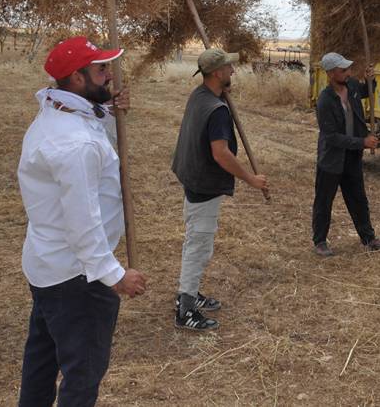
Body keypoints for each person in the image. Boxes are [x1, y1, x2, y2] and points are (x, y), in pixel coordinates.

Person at [17, 36, 147, 406]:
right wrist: (115, 275)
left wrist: (107, 108)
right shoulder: (74, 145)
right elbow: (82, 221)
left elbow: (89, 128)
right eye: (101, 69)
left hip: (49, 266)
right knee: (83, 374)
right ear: (76, 78)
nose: (110, 75)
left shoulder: (58, 112)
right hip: (78, 277)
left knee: (41, 363)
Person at [171, 48, 269, 331]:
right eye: (228, 68)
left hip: (194, 178)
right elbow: (221, 154)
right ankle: (185, 307)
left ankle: (191, 291)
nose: (233, 71)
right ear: (217, 73)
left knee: (199, 241)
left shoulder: (200, 96)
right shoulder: (216, 110)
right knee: (199, 244)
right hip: (203, 183)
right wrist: (251, 179)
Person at [312, 52, 380, 257]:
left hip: (352, 158)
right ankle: (320, 242)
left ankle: (369, 238)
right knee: (324, 201)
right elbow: (331, 137)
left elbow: (368, 91)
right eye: (343, 70)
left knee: (358, 199)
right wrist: (362, 142)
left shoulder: (353, 87)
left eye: (348, 69)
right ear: (331, 74)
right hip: (331, 159)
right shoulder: (324, 101)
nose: (348, 72)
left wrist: (370, 79)